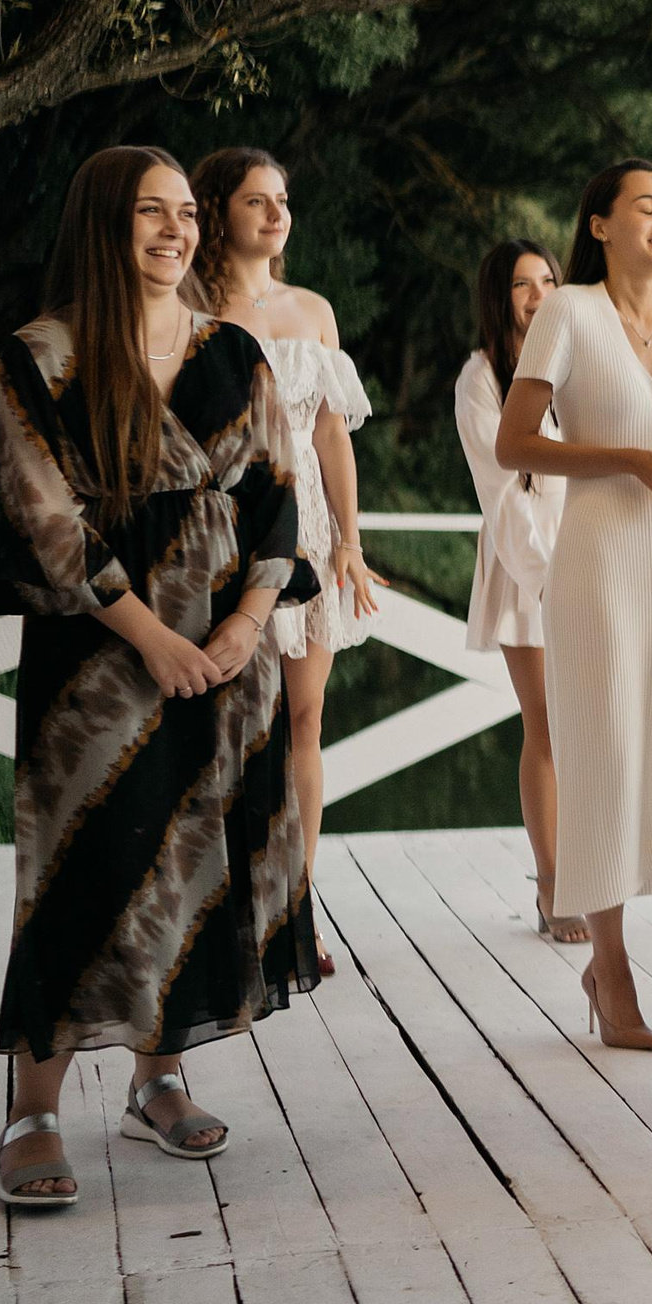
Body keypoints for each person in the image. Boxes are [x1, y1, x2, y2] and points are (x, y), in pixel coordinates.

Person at [0, 145, 320, 1208]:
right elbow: (44, 521)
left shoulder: (234, 351)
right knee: (85, 863)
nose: (177, 230)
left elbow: (276, 493)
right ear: (102, 221)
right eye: (151, 213)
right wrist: (153, 637)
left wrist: (244, 626)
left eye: (186, 213)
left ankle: (157, 1078)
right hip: (100, 663)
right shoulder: (40, 358)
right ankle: (32, 1110)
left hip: (229, 651)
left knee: (192, 863)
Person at [496, 158, 652, 1055]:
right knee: (604, 753)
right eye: (646, 206)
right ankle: (612, 963)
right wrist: (630, 458)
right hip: (599, 556)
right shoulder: (568, 312)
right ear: (599, 224)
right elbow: (514, 439)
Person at [188, 146, 384, 977]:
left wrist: (350, 538)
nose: (276, 214)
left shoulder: (313, 309)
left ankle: (295, 907)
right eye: (256, 200)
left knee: (305, 718)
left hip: (305, 522)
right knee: (224, 726)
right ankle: (218, 908)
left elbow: (333, 429)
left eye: (283, 199)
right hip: (223, 521)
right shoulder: (186, 305)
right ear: (219, 212)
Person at [454, 238, 581, 943]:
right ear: (498, 298)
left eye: (548, 280)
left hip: (590, 557)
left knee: (591, 730)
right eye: (522, 285)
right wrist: (547, 578)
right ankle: (553, 883)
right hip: (527, 565)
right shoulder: (481, 377)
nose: (538, 295)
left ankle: (599, 874)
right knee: (548, 727)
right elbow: (500, 495)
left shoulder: (574, 365)